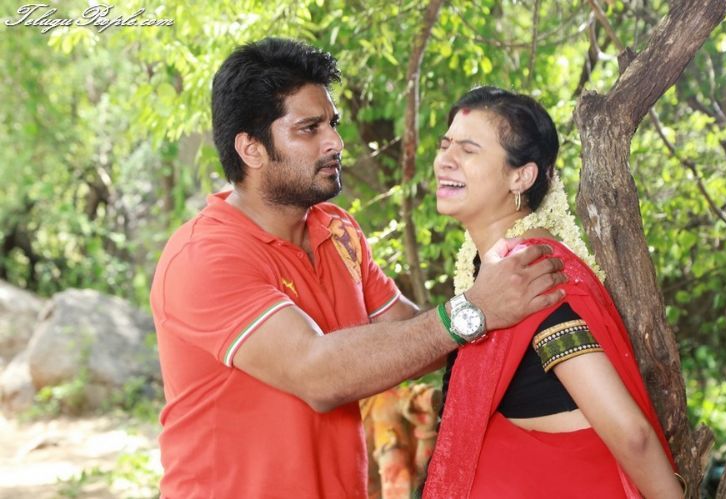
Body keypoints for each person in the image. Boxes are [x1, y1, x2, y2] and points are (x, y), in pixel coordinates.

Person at [150, 39, 566, 498]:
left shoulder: (336, 230)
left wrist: (513, 308)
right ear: (251, 149)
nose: (335, 142)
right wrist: (476, 310)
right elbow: (317, 375)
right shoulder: (205, 256)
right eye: (309, 128)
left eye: (332, 123)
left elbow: (413, 334)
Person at [422, 87, 685, 498]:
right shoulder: (494, 270)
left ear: (521, 176)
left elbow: (632, 435)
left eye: (468, 149)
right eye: (445, 145)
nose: (445, 160)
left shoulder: (530, 273)